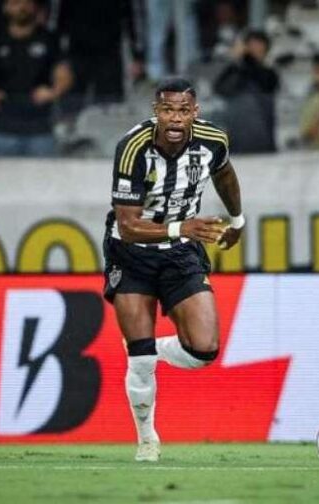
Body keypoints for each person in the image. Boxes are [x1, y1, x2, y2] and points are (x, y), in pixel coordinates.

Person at [103, 78, 244, 462]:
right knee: (141, 360)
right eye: (168, 110)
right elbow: (129, 225)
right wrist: (184, 226)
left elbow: (225, 173)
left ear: (195, 113)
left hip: (181, 253)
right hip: (131, 251)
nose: (175, 118)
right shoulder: (133, 148)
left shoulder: (213, 141)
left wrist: (238, 219)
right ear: (156, 111)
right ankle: (147, 438)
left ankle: (152, 351)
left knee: (204, 350)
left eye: (183, 110)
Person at [0, 0, 72, 157]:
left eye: (27, 2)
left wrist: (53, 91)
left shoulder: (49, 39)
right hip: (2, 128)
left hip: (40, 129)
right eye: (16, 3)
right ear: (6, 7)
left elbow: (64, 74)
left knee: (46, 180)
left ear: (34, 6)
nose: (22, 7)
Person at [213, 30, 279, 153]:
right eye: (251, 46)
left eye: (259, 46)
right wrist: (237, 62)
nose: (254, 50)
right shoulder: (235, 71)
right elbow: (221, 88)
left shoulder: (269, 74)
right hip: (237, 141)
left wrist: (247, 62)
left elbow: (263, 82)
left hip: (263, 142)